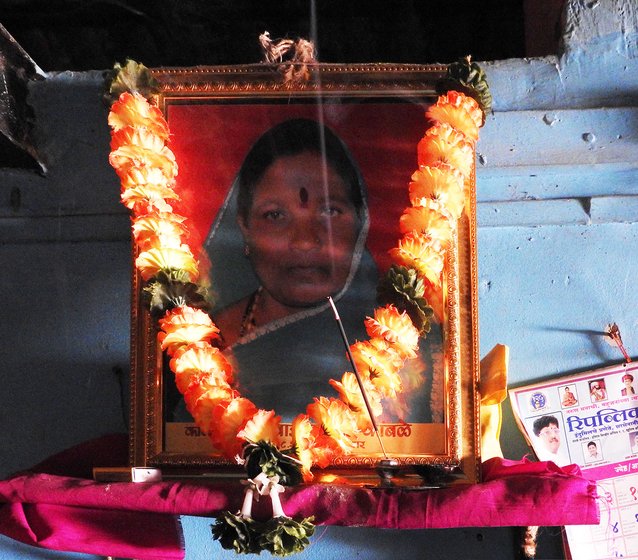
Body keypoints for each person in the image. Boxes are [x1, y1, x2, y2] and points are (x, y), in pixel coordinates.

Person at [201, 118, 443, 423]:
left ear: (360, 221)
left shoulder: (406, 342)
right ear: (244, 228)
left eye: (329, 211)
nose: (305, 241)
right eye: (275, 215)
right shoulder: (206, 343)